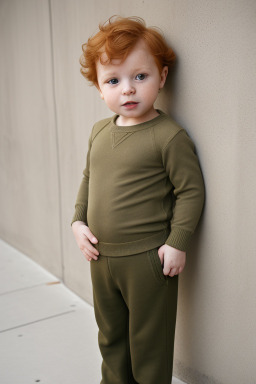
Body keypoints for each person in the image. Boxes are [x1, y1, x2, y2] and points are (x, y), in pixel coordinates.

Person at [71, 15, 205, 384]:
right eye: (113, 80)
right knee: (111, 336)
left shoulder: (168, 136)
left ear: (162, 78)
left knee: (149, 342)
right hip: (101, 258)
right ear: (100, 88)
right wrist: (78, 222)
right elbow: (89, 178)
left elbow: (190, 191)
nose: (127, 90)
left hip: (148, 260)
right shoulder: (99, 131)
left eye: (139, 77)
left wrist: (177, 242)